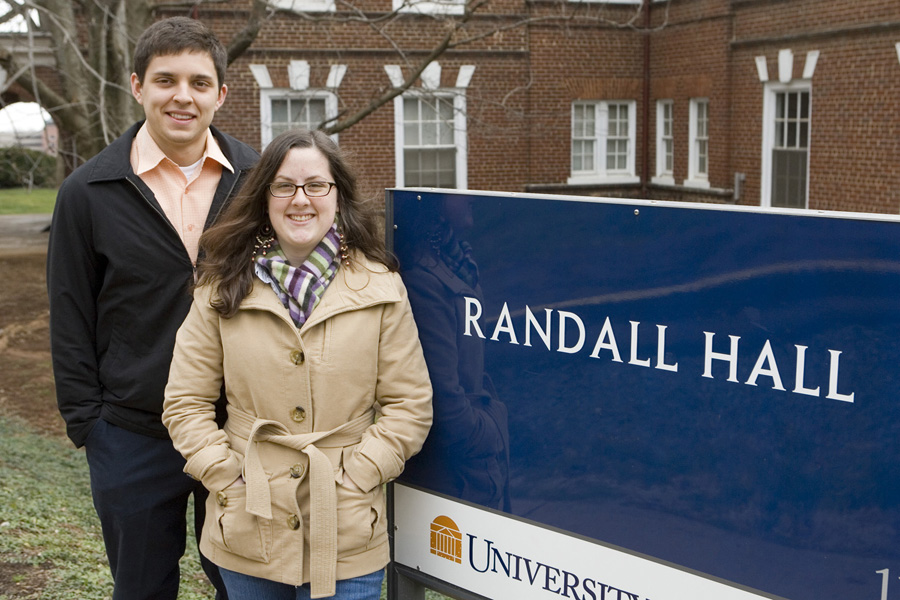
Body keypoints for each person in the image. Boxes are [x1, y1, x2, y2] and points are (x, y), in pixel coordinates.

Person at [161, 128, 433, 600]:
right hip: (249, 520)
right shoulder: (220, 286)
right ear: (265, 196)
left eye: (316, 185)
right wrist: (226, 476)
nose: (300, 199)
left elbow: (409, 405)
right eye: (284, 185)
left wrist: (360, 473)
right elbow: (184, 402)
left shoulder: (382, 289)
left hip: (347, 525)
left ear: (338, 195)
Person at [46, 16, 259, 600]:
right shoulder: (87, 193)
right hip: (132, 435)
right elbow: (69, 316)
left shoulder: (260, 181)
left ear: (221, 93)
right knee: (141, 590)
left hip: (239, 429)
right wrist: (90, 424)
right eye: (166, 80)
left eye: (198, 81)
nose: (181, 96)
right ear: (138, 86)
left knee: (247, 590)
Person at [394, 195, 511, 511]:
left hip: (475, 462)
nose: (471, 197)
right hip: (461, 472)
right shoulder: (424, 280)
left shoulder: (459, 261)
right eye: (457, 191)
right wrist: (490, 433)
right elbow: (445, 402)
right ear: (434, 205)